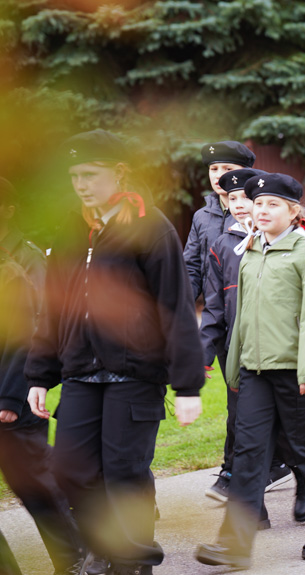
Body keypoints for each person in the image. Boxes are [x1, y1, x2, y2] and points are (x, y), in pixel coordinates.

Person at [25, 130, 204, 575]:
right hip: (81, 373)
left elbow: (175, 306)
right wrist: (38, 374)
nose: (81, 184)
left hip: (135, 375)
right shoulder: (72, 229)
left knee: (125, 474)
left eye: (90, 174)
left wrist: (186, 385)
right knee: (70, 472)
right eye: (74, 176)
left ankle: (134, 560)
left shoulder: (151, 227)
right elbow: (54, 307)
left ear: (119, 173)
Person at [196, 173, 305, 568]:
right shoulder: (250, 250)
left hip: (298, 372)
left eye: (272, 204)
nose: (261, 210)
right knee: (247, 454)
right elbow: (241, 315)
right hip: (254, 372)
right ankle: (234, 544)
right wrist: (234, 365)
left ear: (294, 211)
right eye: (257, 204)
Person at [0, 180, 85, 575]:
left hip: (13, 394)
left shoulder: (25, 260)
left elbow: (33, 331)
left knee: (35, 486)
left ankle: (74, 557)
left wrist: (11, 399)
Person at [200, 168, 293, 503]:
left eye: (247, 198)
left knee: (291, 424)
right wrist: (203, 353)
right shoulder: (223, 245)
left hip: (282, 349)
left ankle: (302, 483)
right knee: (243, 421)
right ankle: (247, 503)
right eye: (232, 198)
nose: (239, 205)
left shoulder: (288, 240)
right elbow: (213, 306)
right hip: (238, 349)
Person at [184, 141, 256, 301]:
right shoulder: (201, 216)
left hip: (247, 305)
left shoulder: (256, 213)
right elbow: (191, 266)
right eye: (214, 169)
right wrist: (182, 304)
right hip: (212, 309)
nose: (219, 175)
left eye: (228, 169)